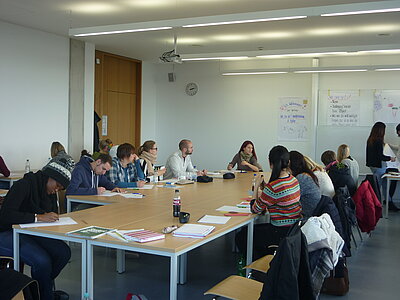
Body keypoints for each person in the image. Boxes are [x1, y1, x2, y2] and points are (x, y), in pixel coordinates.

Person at [0, 156, 74, 300]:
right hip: (7, 231)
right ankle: (45, 294)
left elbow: (49, 214)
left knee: (63, 252)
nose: (57, 190)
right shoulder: (23, 185)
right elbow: (6, 215)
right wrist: (37, 217)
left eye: (61, 188)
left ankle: (40, 289)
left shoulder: (48, 192)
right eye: (57, 185)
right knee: (42, 261)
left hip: (29, 230)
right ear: (49, 176)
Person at [235, 145, 302, 260]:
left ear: (271, 164)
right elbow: (278, 197)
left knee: (242, 236)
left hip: (279, 232)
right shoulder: (293, 180)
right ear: (288, 162)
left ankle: (258, 265)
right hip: (294, 230)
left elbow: (255, 209)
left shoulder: (273, 187)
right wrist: (265, 187)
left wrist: (256, 187)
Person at [366, 122, 397, 210]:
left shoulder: (370, 140)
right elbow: (381, 156)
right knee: (380, 186)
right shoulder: (378, 141)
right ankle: (378, 204)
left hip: (373, 166)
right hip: (380, 167)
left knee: (382, 185)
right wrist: (390, 158)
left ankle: (388, 202)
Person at [289, 151, 321, 217]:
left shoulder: (301, 178)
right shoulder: (308, 175)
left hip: (307, 217)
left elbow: (289, 199)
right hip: (313, 214)